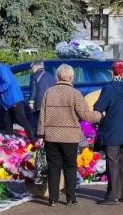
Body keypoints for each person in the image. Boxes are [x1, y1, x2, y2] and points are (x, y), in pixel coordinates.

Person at [37, 64, 102, 205]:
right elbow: (86, 115)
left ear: (57, 77)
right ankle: (71, 197)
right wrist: (100, 115)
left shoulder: (49, 92)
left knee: (53, 167)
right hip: (70, 136)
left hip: (51, 136)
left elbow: (42, 115)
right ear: (72, 77)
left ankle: (53, 199)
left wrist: (41, 135)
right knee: (70, 166)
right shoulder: (75, 94)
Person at [94, 60, 123, 205]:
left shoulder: (108, 88)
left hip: (111, 131)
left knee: (112, 163)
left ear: (112, 72)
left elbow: (99, 107)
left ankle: (112, 196)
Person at [0, 58, 36, 139]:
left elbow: (7, 82)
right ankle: (10, 139)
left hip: (14, 100)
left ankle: (33, 139)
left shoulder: (2, 70)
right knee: (7, 120)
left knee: (21, 119)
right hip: (7, 103)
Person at [28, 60, 56, 135]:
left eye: (32, 68)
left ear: (36, 67)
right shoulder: (51, 76)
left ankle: (39, 137)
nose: (32, 70)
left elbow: (33, 90)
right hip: (51, 102)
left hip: (39, 103)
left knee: (38, 121)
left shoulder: (34, 76)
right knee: (48, 121)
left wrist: (31, 102)